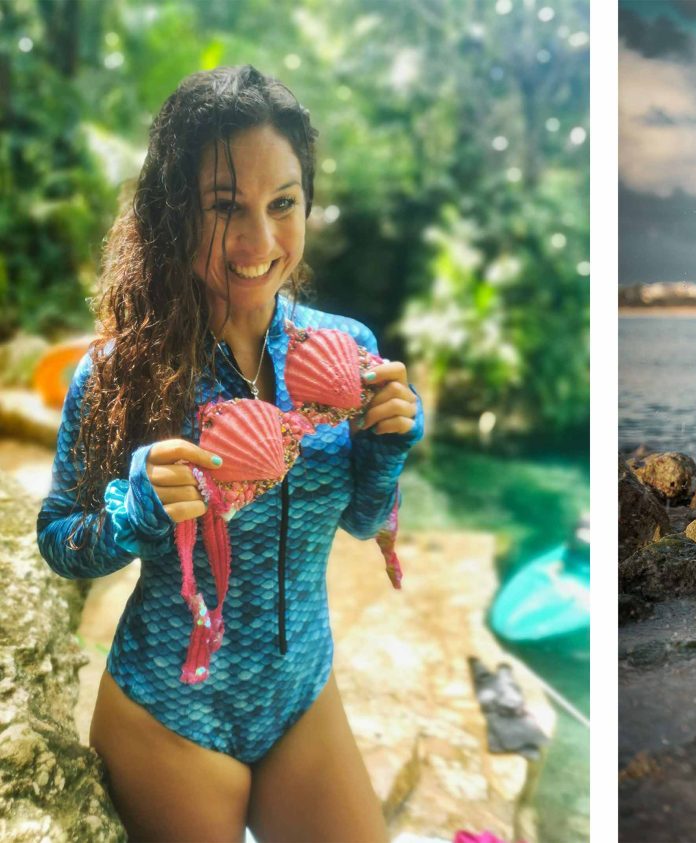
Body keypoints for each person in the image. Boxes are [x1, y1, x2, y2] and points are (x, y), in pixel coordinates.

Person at [37, 65, 423, 841]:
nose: (258, 240)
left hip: (301, 696)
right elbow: (59, 540)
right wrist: (136, 508)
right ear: (175, 214)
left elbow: (359, 522)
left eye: (283, 204)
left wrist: (386, 448)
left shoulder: (346, 350)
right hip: (168, 718)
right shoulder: (121, 373)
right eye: (225, 208)